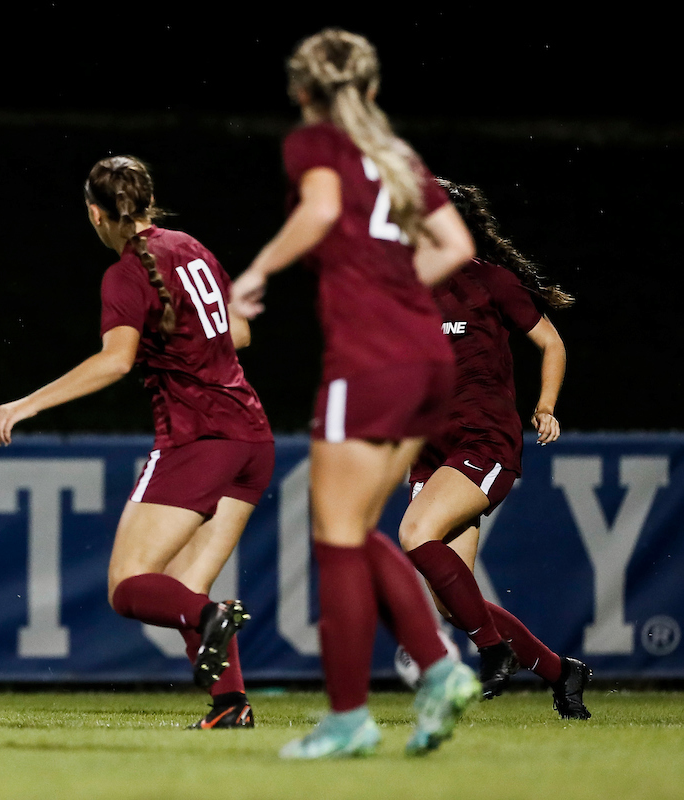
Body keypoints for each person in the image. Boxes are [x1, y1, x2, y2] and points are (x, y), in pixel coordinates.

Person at [229, 28, 479, 758]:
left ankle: (349, 717)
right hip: (429, 357)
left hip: (369, 362)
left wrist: (257, 272)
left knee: (335, 537)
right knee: (358, 529)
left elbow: (316, 211)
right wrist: (397, 293)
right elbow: (456, 247)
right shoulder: (398, 157)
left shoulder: (317, 144)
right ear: (370, 89)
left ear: (303, 92)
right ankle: (438, 669)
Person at [0, 155, 275, 729]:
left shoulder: (126, 273)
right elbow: (238, 332)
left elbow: (115, 361)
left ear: (96, 213)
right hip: (252, 437)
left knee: (130, 586)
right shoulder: (191, 246)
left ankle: (214, 616)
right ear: (148, 202)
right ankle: (231, 706)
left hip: (199, 438)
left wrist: (27, 403)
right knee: (186, 586)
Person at [397, 178, 591, 719]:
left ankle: (492, 650)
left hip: (483, 439)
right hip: (429, 450)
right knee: (453, 601)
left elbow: (551, 341)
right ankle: (561, 672)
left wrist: (546, 406)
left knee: (414, 534)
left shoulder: (489, 282)